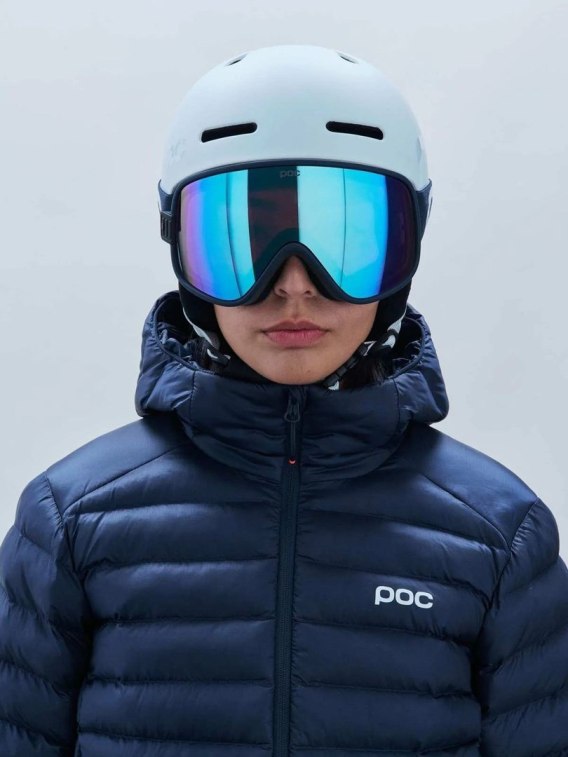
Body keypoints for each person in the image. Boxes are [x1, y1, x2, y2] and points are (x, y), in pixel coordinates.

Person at [0, 43, 567, 757]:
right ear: (180, 247)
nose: (294, 284)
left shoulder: (499, 536)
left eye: (344, 239)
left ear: (407, 245)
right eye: (243, 240)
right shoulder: (72, 521)